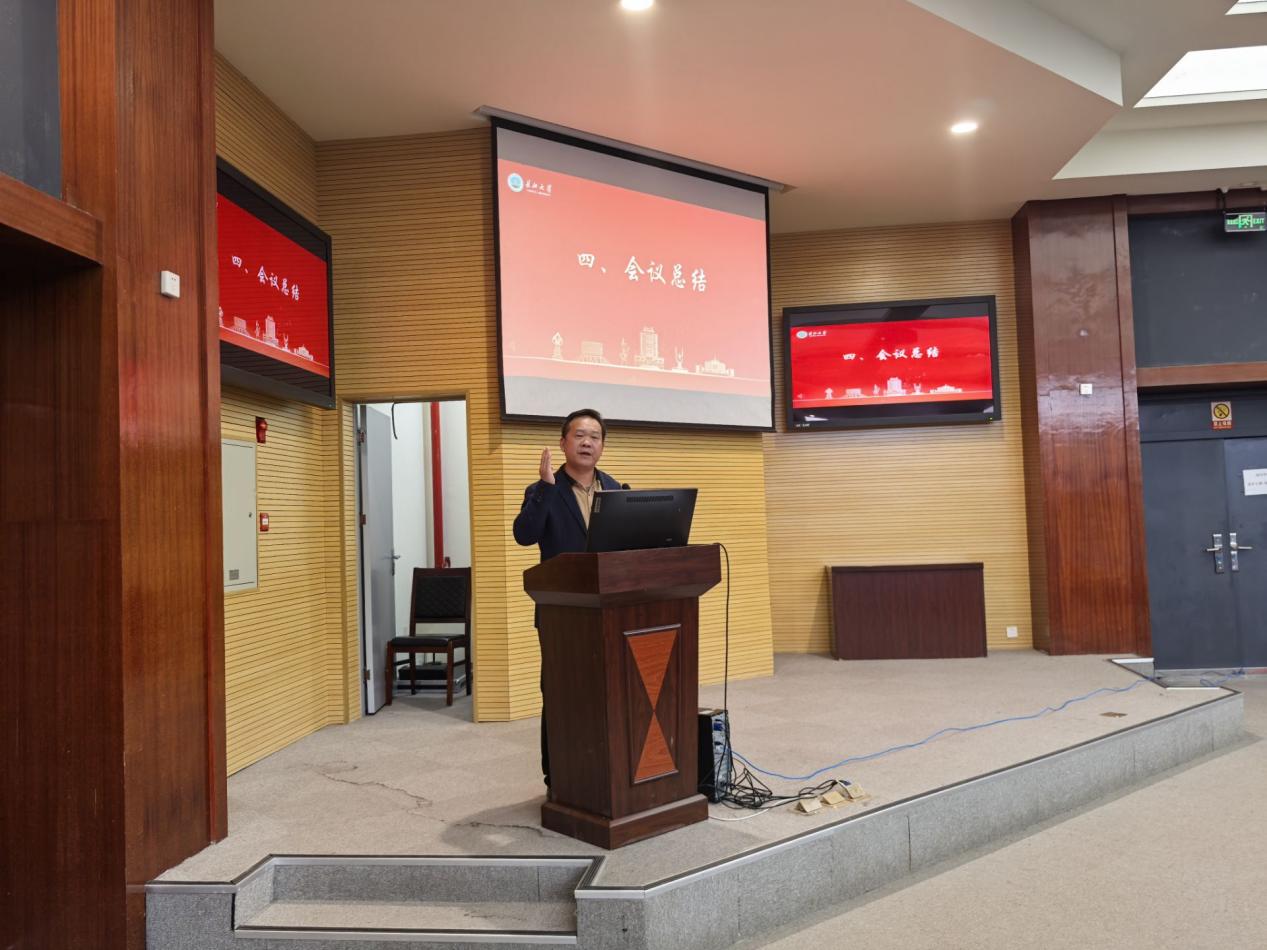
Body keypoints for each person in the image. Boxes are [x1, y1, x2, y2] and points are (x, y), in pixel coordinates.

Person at [512, 408, 624, 790]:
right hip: (562, 613)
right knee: (562, 691)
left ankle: (607, 771)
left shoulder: (616, 489)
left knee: (609, 690)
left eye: (595, 436)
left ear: (602, 445)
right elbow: (524, 535)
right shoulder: (543, 489)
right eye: (579, 435)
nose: (587, 442)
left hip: (611, 610)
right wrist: (545, 488)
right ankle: (558, 777)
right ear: (563, 443)